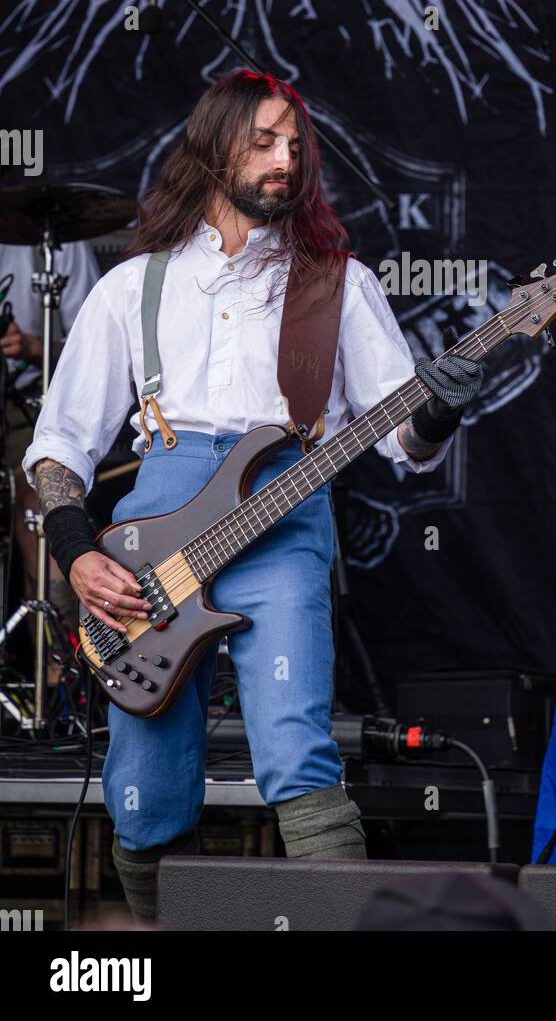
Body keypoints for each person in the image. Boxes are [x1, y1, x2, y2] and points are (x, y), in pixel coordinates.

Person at [22, 68, 482, 923]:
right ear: (212, 149)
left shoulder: (334, 282)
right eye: (263, 141)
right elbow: (57, 446)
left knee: (299, 757)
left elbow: (402, 441)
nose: (284, 160)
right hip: (151, 549)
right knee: (145, 793)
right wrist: (78, 552)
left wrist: (440, 412)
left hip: (284, 529)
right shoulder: (137, 285)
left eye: (294, 146)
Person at [0, 237, 101, 646]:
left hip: (22, 400)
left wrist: (33, 347)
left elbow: (96, 347)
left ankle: (56, 664)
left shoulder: (56, 241)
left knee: (40, 501)